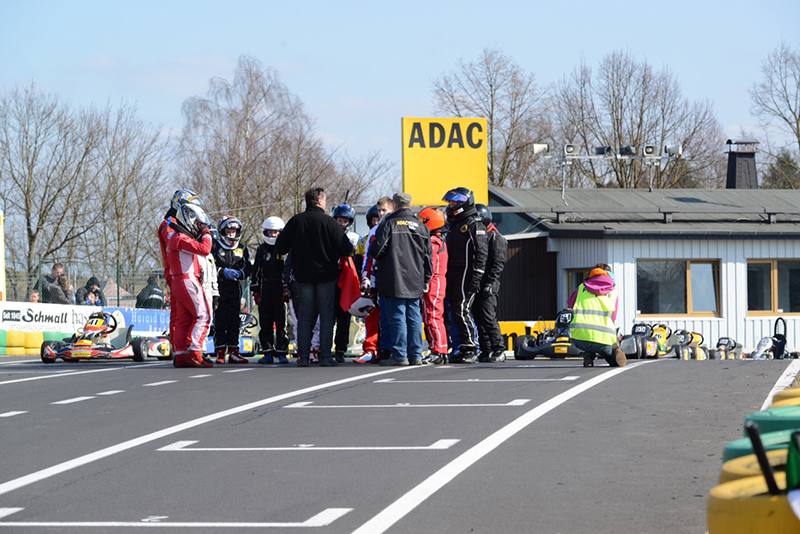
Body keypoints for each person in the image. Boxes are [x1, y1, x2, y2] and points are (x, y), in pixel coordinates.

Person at [274, 187, 354, 367]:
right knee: (326, 316)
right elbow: (347, 249)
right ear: (320, 201)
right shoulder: (329, 222)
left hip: (303, 276)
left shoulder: (296, 221)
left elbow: (280, 247)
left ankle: (303, 357)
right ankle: (325, 356)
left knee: (304, 316)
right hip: (327, 275)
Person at [370, 192, 432, 366]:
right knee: (414, 317)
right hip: (416, 279)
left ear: (395, 206)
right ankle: (416, 354)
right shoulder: (421, 227)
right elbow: (428, 257)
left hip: (393, 277)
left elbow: (377, 251)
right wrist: (426, 279)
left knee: (397, 317)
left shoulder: (388, 224)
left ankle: (400, 355)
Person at [442, 187, 487, 364]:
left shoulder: (475, 224)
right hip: (452, 273)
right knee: (454, 311)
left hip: (467, 273)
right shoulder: (453, 225)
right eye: (451, 202)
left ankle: (471, 348)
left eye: (455, 202)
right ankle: (462, 347)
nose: (451, 205)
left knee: (462, 310)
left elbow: (481, 252)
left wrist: (477, 276)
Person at [166, 202, 214, 368]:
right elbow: (205, 249)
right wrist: (206, 232)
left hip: (178, 281)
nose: (198, 227)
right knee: (204, 315)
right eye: (197, 224)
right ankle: (195, 352)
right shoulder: (181, 238)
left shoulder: (174, 238)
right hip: (187, 280)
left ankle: (180, 354)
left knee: (183, 319)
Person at [567, 264, 626, 368]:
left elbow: (571, 303)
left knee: (589, 341)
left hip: (579, 338)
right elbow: (613, 317)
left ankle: (588, 356)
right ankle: (615, 352)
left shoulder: (581, 287)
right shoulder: (613, 292)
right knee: (610, 355)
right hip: (602, 338)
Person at [357, 197, 393, 363]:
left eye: (384, 211)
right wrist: (366, 277)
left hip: (398, 279)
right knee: (374, 314)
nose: (380, 215)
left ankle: (397, 348)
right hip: (378, 279)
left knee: (396, 316)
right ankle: (372, 348)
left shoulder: (398, 226)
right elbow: (368, 258)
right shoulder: (373, 232)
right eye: (378, 212)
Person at [212, 216, 252, 364]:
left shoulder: (242, 248)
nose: (231, 234)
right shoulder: (215, 247)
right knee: (220, 319)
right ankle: (220, 352)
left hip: (235, 287)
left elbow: (248, 267)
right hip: (219, 287)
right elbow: (209, 266)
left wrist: (241, 274)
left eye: (233, 231)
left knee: (234, 320)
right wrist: (223, 272)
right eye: (228, 231)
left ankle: (234, 352)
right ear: (222, 231)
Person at [252, 216, 290, 364]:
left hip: (280, 289)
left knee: (282, 323)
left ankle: (282, 352)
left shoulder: (285, 250)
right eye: (270, 232)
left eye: (275, 232)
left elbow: (288, 270)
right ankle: (267, 351)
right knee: (265, 322)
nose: (272, 235)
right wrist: (256, 291)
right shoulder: (262, 249)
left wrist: (286, 289)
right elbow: (256, 271)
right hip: (265, 288)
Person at [474, 204, 508, 363]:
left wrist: (489, 282)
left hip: (489, 283)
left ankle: (499, 349)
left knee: (488, 316)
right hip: (478, 282)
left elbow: (498, 264)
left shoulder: (495, 237)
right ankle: (486, 349)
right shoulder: (480, 236)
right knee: (478, 317)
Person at [417, 206, 449, 365]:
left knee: (433, 316)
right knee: (431, 315)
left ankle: (439, 350)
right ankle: (439, 349)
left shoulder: (433, 242)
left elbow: (429, 265)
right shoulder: (438, 240)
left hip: (433, 281)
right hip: (436, 280)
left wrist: (425, 281)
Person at [332, 203, 361, 363]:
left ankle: (341, 349)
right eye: (340, 220)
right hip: (331, 280)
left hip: (347, 282)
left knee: (344, 318)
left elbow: (360, 261)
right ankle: (324, 348)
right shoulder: (328, 236)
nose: (342, 224)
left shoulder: (356, 238)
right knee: (329, 317)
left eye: (345, 221)